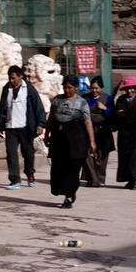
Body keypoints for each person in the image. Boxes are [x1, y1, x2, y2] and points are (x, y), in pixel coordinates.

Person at [44, 76, 97, 208]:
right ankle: (64, 191)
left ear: (76, 88)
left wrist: (92, 141)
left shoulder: (82, 102)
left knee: (73, 168)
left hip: (76, 139)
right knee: (58, 167)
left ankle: (69, 195)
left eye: (70, 87)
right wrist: (47, 134)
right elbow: (51, 118)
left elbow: (88, 121)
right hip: (58, 138)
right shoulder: (57, 100)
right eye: (65, 87)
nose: (67, 90)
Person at [0, 65, 47, 190]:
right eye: (9, 78)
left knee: (28, 154)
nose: (11, 80)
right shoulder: (6, 89)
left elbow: (38, 107)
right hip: (10, 127)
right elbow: (2, 107)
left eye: (13, 78)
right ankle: (15, 180)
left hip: (25, 127)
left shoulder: (29, 89)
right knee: (11, 154)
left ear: (20, 76)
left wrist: (40, 124)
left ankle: (30, 174)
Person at [81, 76, 115, 187]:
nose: (94, 90)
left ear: (101, 88)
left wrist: (105, 109)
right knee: (87, 155)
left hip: (103, 131)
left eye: (97, 88)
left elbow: (113, 114)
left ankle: (100, 179)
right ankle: (92, 179)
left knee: (102, 155)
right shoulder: (85, 98)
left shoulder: (108, 98)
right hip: (87, 130)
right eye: (92, 88)